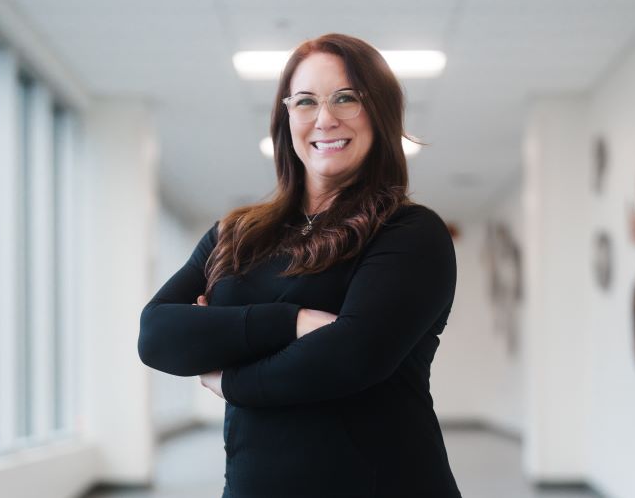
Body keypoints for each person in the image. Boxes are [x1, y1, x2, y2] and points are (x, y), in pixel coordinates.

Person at [137, 33, 462, 498]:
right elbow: (158, 335)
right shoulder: (235, 234)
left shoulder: (409, 232)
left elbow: (348, 359)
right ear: (286, 116)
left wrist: (226, 375)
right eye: (305, 101)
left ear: (381, 112)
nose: (325, 118)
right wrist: (294, 322)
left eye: (347, 98)